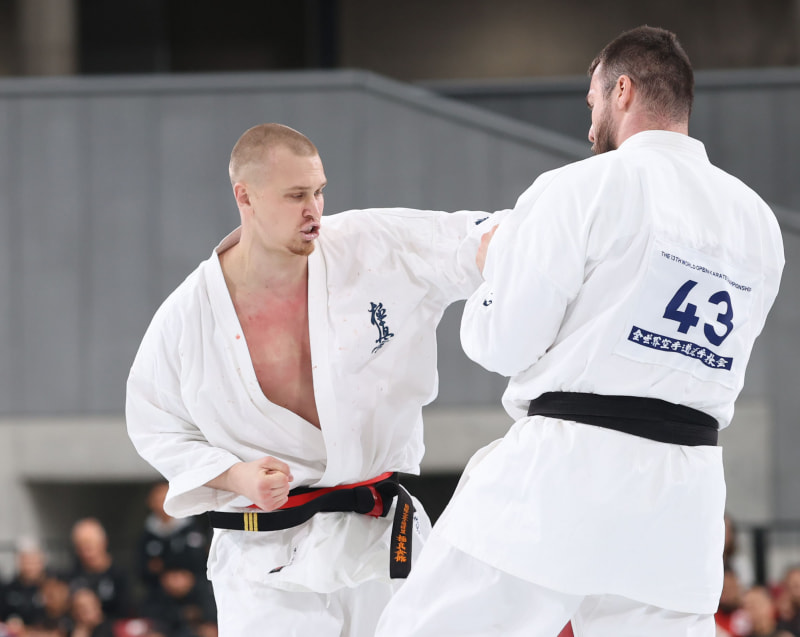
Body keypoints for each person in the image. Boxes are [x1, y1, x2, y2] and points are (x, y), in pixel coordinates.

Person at [375, 25, 785, 637]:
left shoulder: (583, 186)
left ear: (622, 91)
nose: (590, 124)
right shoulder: (758, 222)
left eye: (592, 101)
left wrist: (492, 270)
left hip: (568, 471)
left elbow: (504, 342)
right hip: (685, 494)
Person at [125, 122, 504, 636]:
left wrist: (497, 251)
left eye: (319, 191)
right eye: (296, 195)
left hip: (378, 537)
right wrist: (235, 476)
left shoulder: (369, 246)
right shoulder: (189, 316)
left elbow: (476, 235)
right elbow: (156, 425)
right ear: (245, 196)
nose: (314, 210)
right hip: (265, 557)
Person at [66, 519, 133, 622]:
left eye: (90, 546)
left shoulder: (120, 576)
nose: (86, 552)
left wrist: (98, 616)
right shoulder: (72, 576)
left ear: (104, 543)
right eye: (81, 547)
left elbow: (126, 613)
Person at [0, 537, 49, 627]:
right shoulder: (6, 590)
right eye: (25, 560)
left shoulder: (52, 587)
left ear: (42, 561)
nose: (29, 566)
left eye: (33, 560)